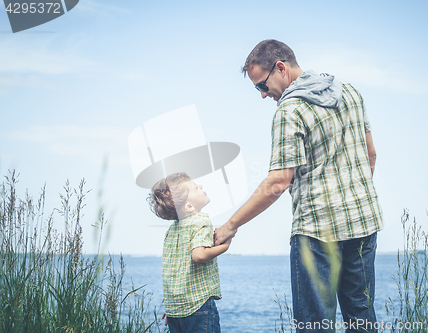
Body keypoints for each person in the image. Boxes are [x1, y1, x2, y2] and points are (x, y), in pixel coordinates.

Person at [214, 39, 384, 332]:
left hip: (317, 233)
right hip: (364, 223)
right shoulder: (350, 92)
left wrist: (231, 225)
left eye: (261, 86)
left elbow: (278, 181)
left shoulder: (289, 110)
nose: (263, 95)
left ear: (281, 68)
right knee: (362, 319)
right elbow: (371, 154)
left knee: (314, 325)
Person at [149, 172, 230, 333]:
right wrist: (225, 246)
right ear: (189, 207)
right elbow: (198, 255)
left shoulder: (172, 230)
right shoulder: (201, 221)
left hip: (175, 309)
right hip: (198, 306)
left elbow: (174, 271)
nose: (200, 186)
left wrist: (174, 309)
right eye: (195, 187)